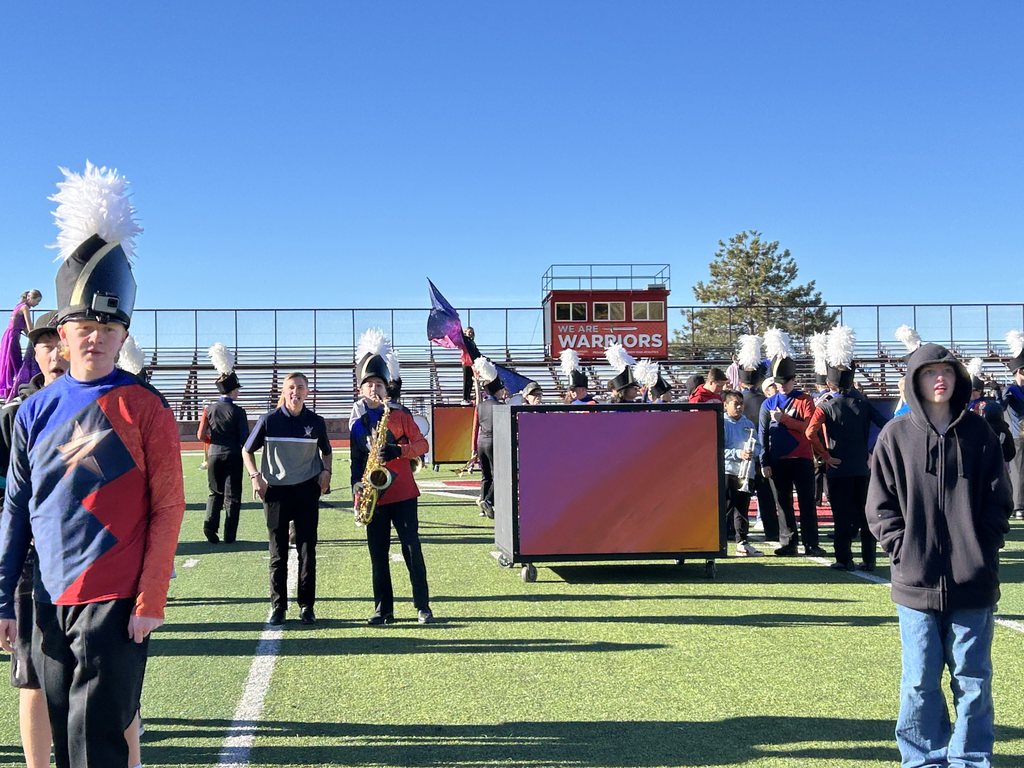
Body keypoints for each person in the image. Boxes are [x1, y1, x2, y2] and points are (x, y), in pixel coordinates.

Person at [0, 162, 182, 768]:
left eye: (109, 323)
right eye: (83, 322)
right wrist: (5, 599)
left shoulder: (145, 407)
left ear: (122, 329)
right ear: (63, 327)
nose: (95, 334)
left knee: (97, 745)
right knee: (57, 727)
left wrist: (151, 594)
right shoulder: (35, 409)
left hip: (116, 599)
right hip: (47, 597)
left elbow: (168, 506)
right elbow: (17, 510)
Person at [867, 343, 1011, 767]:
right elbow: (880, 506)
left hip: (973, 582)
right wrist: (901, 548)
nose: (939, 379)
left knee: (973, 679)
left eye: (946, 371)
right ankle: (923, 758)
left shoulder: (979, 433)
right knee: (919, 681)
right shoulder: (895, 436)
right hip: (915, 581)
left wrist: (983, 547)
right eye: (929, 373)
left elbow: (999, 499)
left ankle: (970, 757)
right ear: (914, 381)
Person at [349, 330, 433, 625]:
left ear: (386, 388)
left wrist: (398, 449)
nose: (374, 389)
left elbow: (423, 446)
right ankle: (383, 610)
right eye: (369, 385)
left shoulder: (399, 414)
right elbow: (357, 460)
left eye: (378, 384)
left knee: (412, 550)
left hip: (404, 494)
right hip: (374, 495)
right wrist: (356, 490)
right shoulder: (357, 421)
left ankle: (422, 605)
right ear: (361, 389)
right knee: (378, 556)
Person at [244, 371, 330, 626]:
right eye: (291, 387)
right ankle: (278, 606)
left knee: (307, 551)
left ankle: (307, 606)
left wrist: (326, 472)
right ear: (283, 391)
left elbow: (327, 452)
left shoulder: (316, 422)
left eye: (301, 387)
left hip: (306, 491)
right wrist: (254, 476)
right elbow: (246, 450)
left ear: (307, 392)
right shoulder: (268, 420)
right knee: (278, 553)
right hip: (277, 493)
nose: (296, 392)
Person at [806, 326, 888, 571]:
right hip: (862, 468)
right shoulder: (863, 403)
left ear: (830, 382)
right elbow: (886, 426)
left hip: (838, 468)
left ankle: (844, 559)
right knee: (865, 516)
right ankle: (869, 559)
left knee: (841, 515)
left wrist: (826, 455)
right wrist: (871, 450)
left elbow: (810, 432)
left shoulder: (826, 406)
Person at [759, 328, 826, 558]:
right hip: (778, 460)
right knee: (783, 504)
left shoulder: (804, 399)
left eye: (785, 382)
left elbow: (809, 428)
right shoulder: (768, 403)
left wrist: (785, 420)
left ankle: (811, 543)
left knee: (807, 503)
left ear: (793, 380)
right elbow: (762, 435)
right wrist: (764, 460)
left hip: (802, 458)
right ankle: (788, 543)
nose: (781, 386)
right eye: (778, 382)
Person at [200, 343, 250, 544]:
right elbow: (244, 439)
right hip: (233, 455)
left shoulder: (209, 408)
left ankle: (209, 526)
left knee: (215, 492)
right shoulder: (238, 412)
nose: (238, 392)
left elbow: (200, 434)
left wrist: (213, 442)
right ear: (232, 390)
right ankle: (230, 535)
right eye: (237, 389)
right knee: (233, 496)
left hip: (213, 454)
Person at [736, 334, 779, 542]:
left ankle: (736, 532)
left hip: (740, 456)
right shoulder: (766, 400)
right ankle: (772, 530)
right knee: (767, 497)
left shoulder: (733, 401)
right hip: (763, 454)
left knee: (739, 498)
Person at [722, 391, 763, 556]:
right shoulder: (722, 423)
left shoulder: (749, 424)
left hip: (746, 474)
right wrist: (738, 453)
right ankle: (719, 542)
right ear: (726, 405)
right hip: (728, 471)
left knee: (742, 509)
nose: (739, 407)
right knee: (725, 508)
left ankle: (742, 542)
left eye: (741, 403)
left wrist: (753, 451)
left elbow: (759, 446)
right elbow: (718, 450)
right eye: (735, 403)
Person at [472, 356, 506, 519]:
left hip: (481, 443)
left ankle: (482, 505)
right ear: (497, 390)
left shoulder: (481, 406)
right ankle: (489, 501)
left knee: (485, 476)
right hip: (494, 443)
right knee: (498, 475)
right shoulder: (500, 407)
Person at [0, 289, 42, 402]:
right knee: (16, 363)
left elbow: (22, 327)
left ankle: (11, 391)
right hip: (12, 337)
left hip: (9, 336)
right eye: (37, 301)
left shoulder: (19, 306)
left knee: (11, 363)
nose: (37, 304)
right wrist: (36, 338)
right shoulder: (25, 308)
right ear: (31, 298)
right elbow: (29, 327)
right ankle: (13, 391)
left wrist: (29, 336)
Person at [1001, 330, 1024, 520]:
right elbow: (1003, 404)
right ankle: (1019, 506)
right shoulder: (1011, 389)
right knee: (1019, 471)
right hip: (1019, 436)